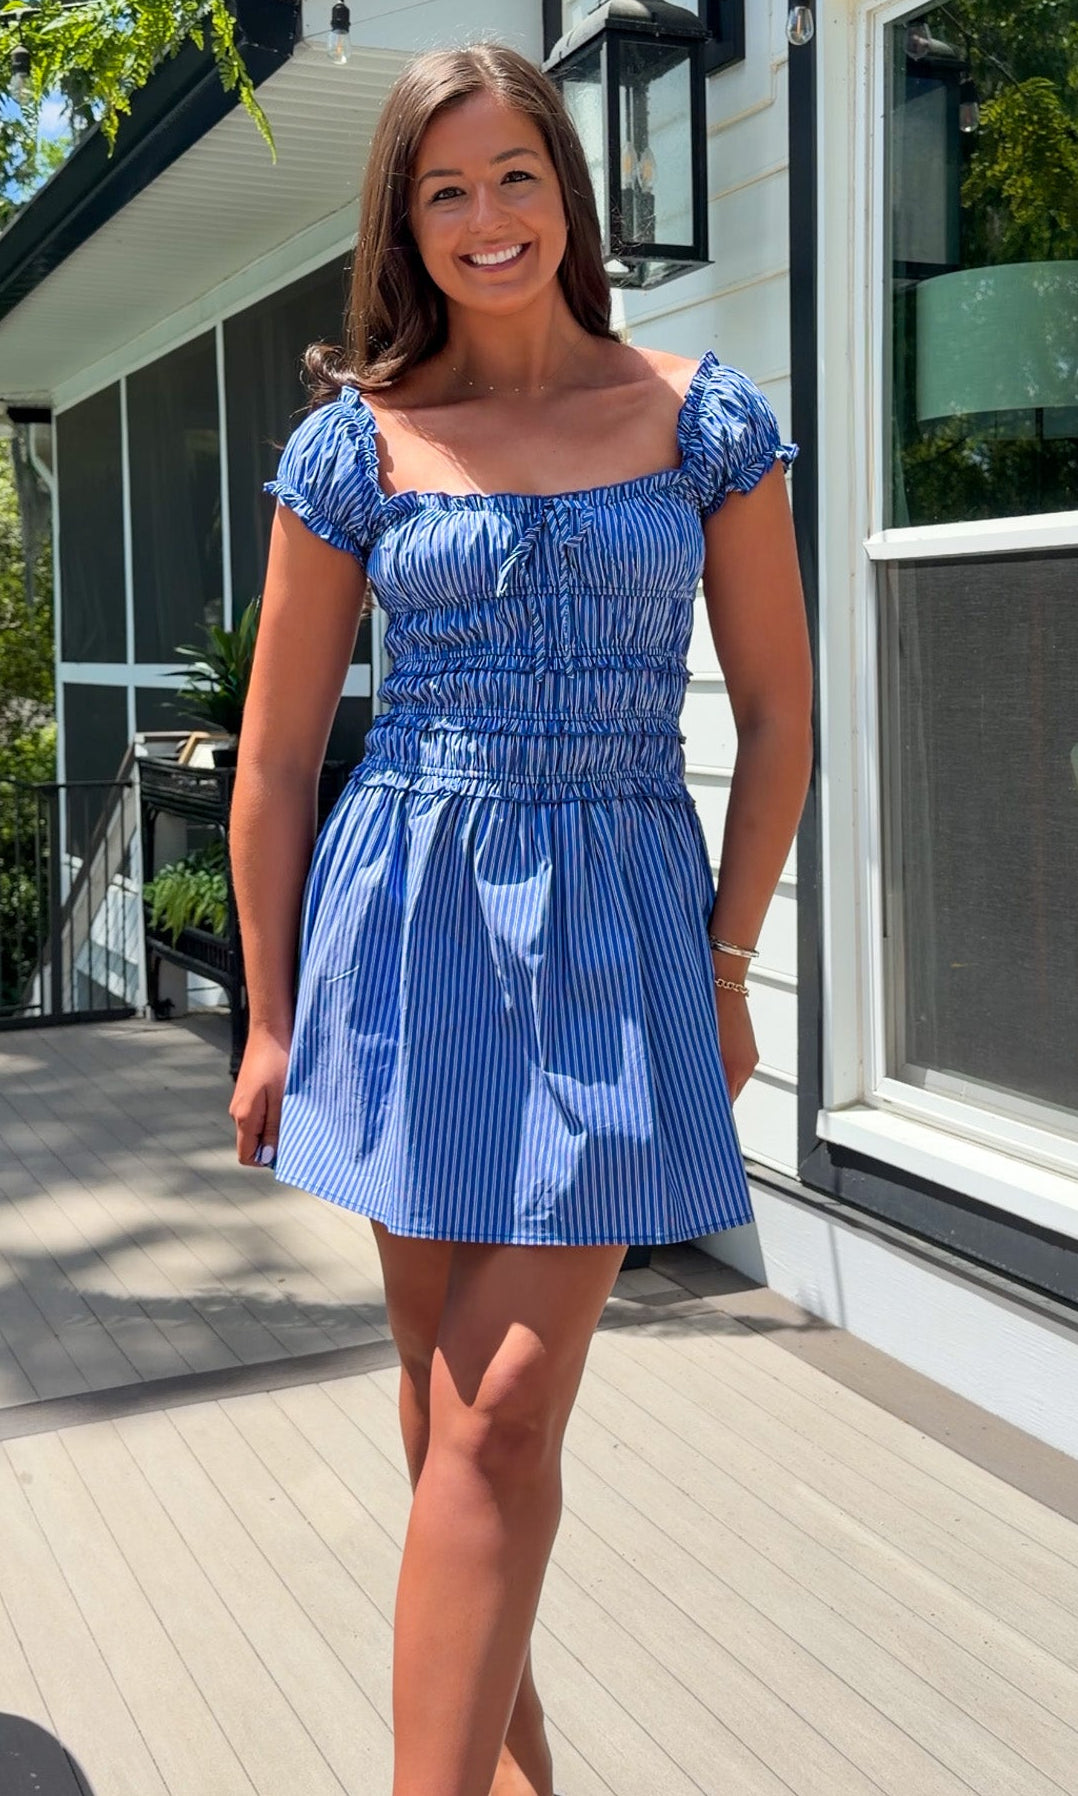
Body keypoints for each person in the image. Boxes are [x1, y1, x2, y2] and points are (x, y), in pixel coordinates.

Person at [228, 39, 812, 1796]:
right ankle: (514, 1770)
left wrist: (724, 961)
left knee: (496, 1412)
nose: (487, 220)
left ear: (569, 192)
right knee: (443, 1406)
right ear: (407, 221)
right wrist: (266, 1015)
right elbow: (271, 763)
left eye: (516, 179)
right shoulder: (358, 447)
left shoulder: (700, 418)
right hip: (409, 935)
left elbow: (777, 715)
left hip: (619, 936)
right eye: (446, 188)